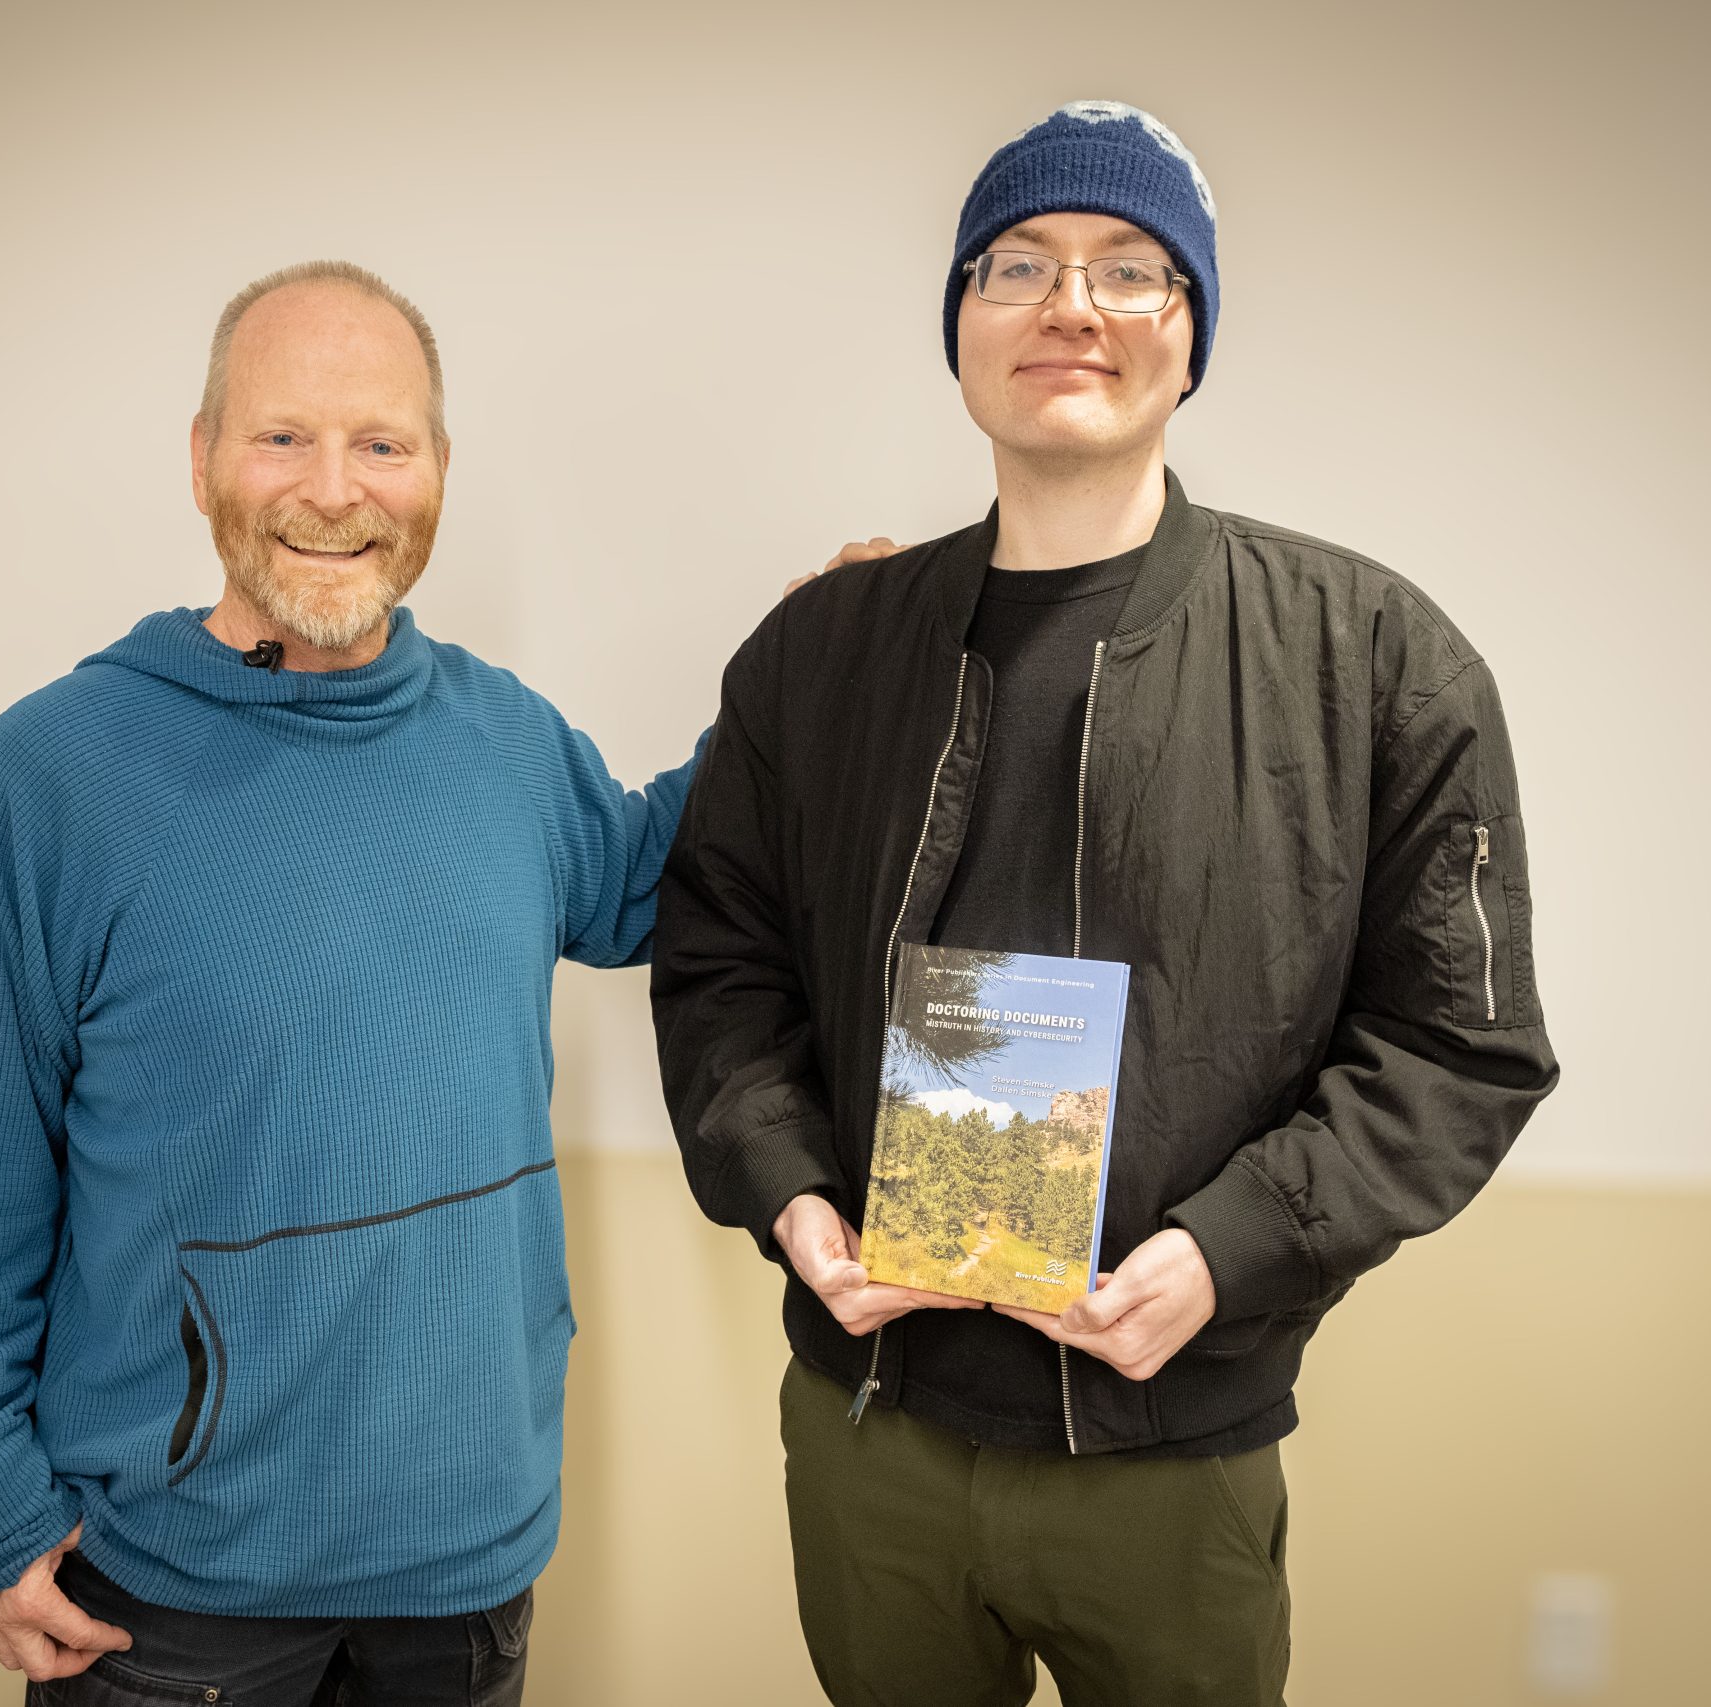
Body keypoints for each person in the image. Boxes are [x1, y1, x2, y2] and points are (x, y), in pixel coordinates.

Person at [650, 100, 1559, 1705]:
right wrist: (791, 1200)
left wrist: (1224, 1253)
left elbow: (1458, 1049)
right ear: (960, 326)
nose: (1070, 305)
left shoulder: (1377, 662)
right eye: (1017, 265)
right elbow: (723, 965)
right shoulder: (815, 656)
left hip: (1171, 1447)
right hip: (872, 1429)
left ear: (1189, 335)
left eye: (1130, 269)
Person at [0, 259, 705, 1706]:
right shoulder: (58, 771)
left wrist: (817, 673)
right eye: (282, 437)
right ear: (202, 460)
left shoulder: (508, 744)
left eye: (382, 443)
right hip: (169, 1597)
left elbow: (662, 882)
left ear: (436, 472)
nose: (335, 490)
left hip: (465, 1574)